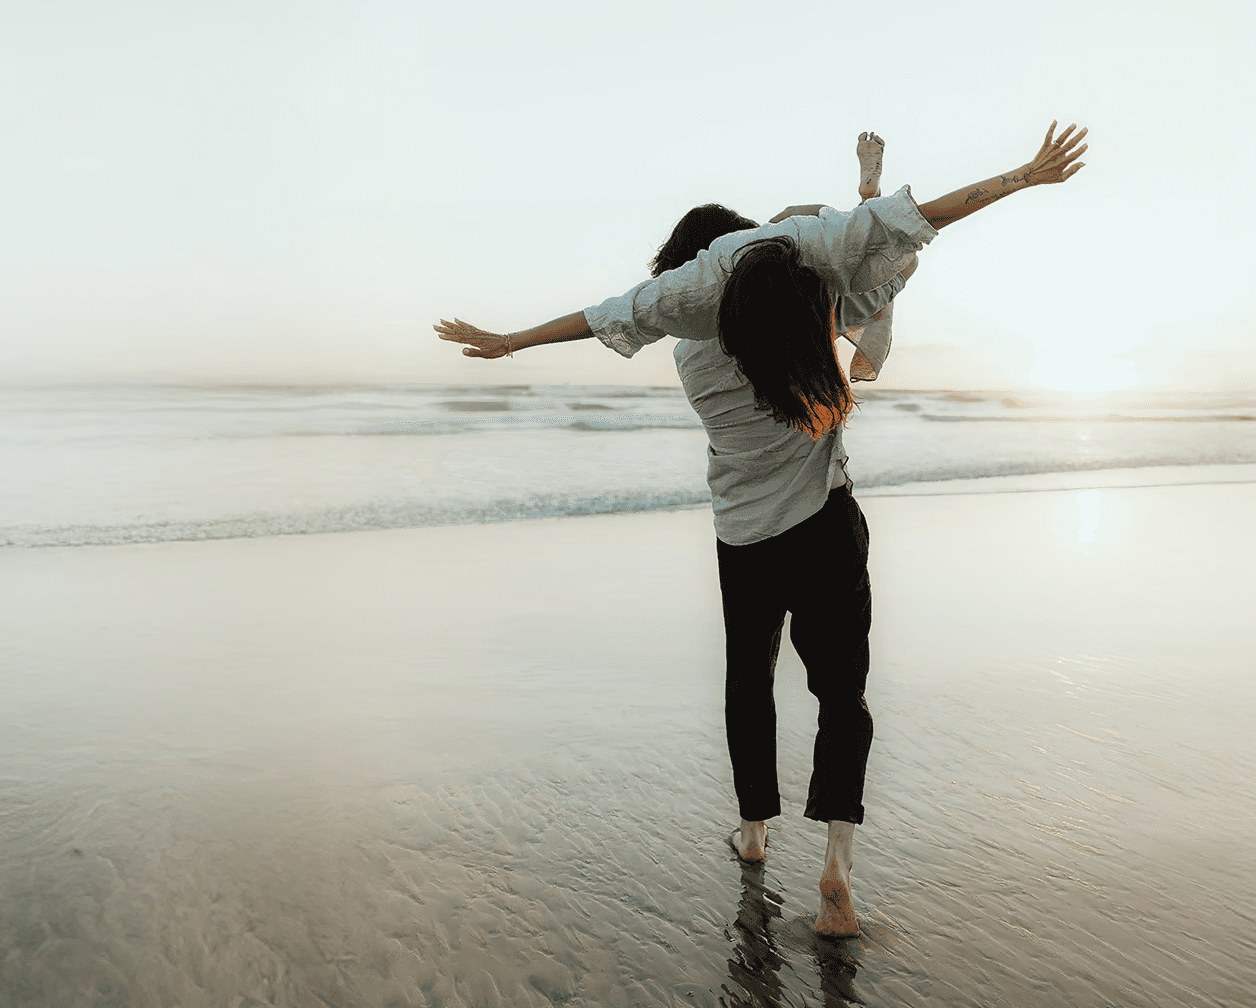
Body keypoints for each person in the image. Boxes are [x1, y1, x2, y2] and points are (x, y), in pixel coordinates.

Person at [434, 120, 1090, 938]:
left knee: (750, 684)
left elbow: (599, 316)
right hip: (825, 526)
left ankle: (753, 836)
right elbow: (907, 227)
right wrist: (1024, 176)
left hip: (744, 539)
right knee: (841, 697)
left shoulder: (682, 324)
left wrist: (507, 342)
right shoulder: (803, 267)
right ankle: (837, 872)